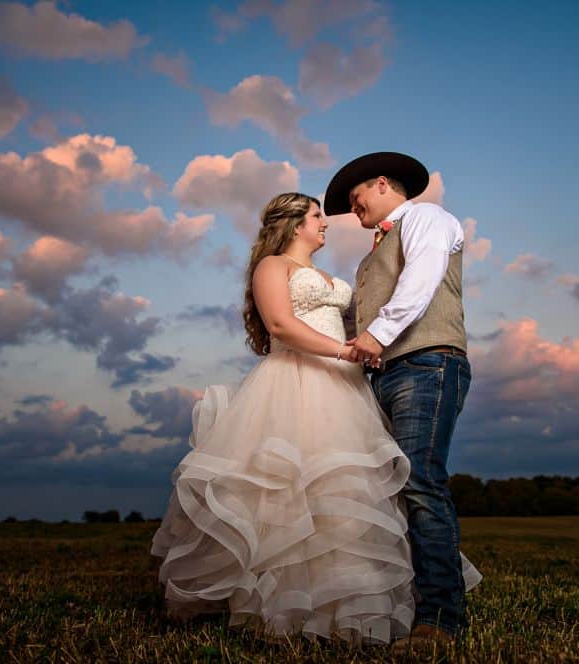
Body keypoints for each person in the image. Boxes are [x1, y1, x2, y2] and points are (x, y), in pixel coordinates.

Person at [149, 192, 478, 645]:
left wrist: (357, 352)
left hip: (345, 386)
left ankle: (342, 601)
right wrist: (347, 350)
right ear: (294, 224)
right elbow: (281, 326)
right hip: (295, 381)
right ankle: (280, 602)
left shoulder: (336, 273)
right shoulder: (272, 266)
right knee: (288, 488)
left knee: (345, 494)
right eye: (317, 215)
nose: (326, 222)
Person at [328, 151, 476, 653]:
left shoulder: (427, 217)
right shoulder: (371, 256)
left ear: (384, 184)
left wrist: (378, 334)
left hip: (427, 364)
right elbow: (355, 323)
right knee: (390, 488)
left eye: (357, 197)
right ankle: (405, 605)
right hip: (385, 374)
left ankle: (441, 622)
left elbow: (422, 279)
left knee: (420, 483)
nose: (354, 208)